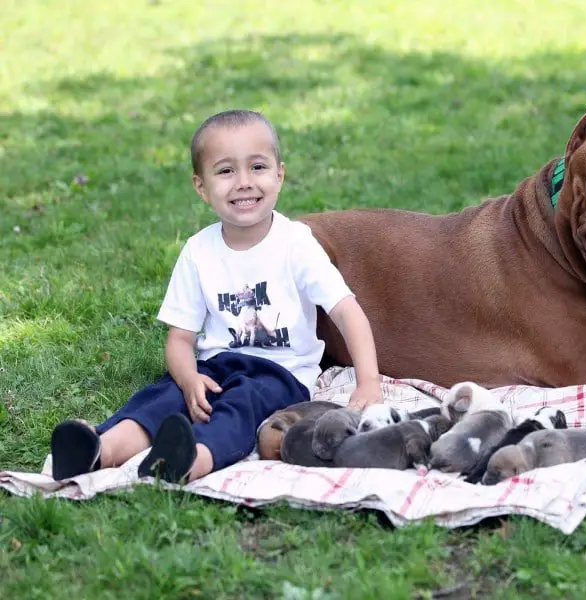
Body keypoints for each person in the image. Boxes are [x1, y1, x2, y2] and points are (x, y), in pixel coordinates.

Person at [50, 109, 384, 483]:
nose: (243, 182)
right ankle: (99, 449)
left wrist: (368, 379)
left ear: (280, 174)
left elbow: (346, 310)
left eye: (257, 167)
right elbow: (179, 338)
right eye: (225, 171)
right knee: (164, 397)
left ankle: (190, 460)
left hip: (281, 374)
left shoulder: (295, 244)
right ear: (201, 186)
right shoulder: (198, 251)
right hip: (215, 366)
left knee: (240, 409)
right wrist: (190, 377)